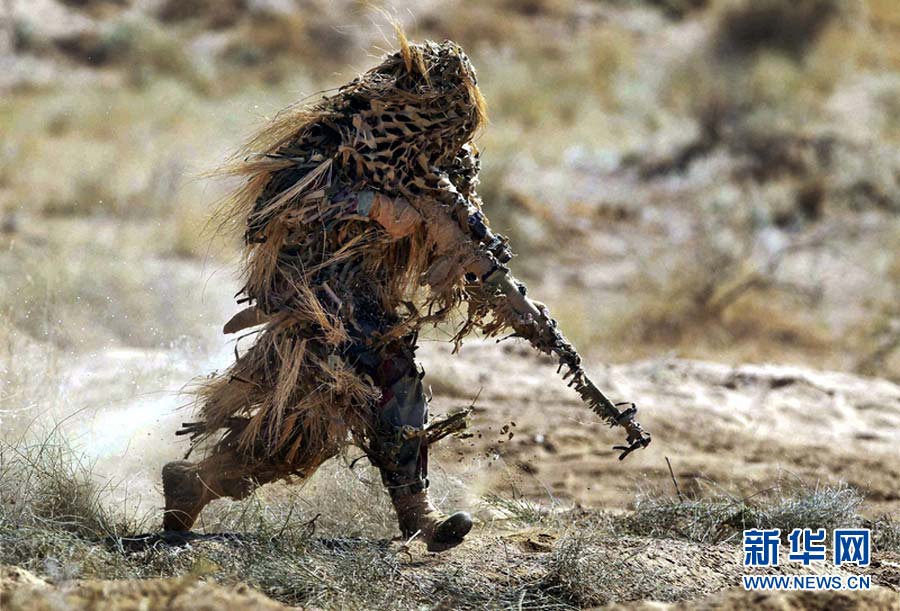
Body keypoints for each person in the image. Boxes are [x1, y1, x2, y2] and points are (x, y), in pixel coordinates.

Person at [162, 34, 649, 553]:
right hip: (307, 288)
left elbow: (469, 240)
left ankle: (406, 513)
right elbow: (271, 212)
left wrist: (517, 306)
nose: (444, 139)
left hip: (361, 294)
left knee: (380, 387)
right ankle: (205, 482)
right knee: (321, 415)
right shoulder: (338, 135)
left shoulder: (443, 162)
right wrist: (371, 205)